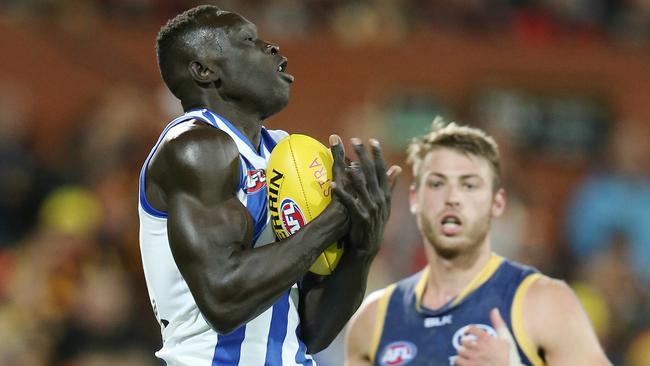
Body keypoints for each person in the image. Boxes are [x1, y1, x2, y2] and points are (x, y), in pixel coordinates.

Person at [138, 5, 400, 366]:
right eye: (248, 40)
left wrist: (363, 243)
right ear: (204, 69)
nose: (272, 47)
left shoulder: (284, 151)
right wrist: (334, 220)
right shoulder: (194, 147)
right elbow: (224, 301)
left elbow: (314, 332)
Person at [345, 118, 611, 366]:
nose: (452, 198)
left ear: (497, 203)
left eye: (469, 185)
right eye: (437, 184)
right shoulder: (373, 318)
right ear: (414, 198)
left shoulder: (545, 302)